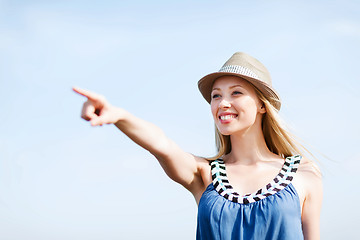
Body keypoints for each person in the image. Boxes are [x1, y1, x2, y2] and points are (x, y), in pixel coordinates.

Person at [73, 52, 322, 240]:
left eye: (236, 93)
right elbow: (161, 144)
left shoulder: (305, 174)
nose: (223, 103)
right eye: (216, 95)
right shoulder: (205, 174)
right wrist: (118, 115)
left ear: (262, 105)